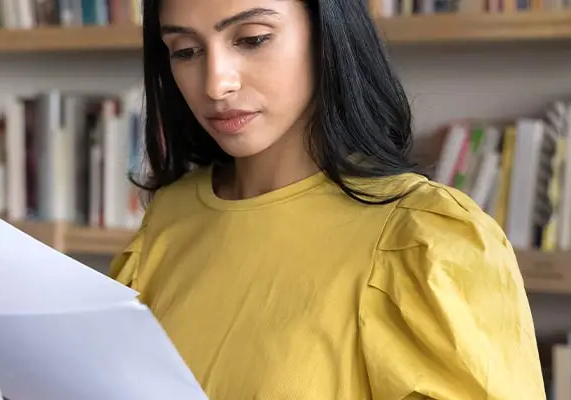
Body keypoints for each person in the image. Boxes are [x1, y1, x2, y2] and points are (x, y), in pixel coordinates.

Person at [110, 0, 545, 398]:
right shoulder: (168, 219)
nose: (216, 83)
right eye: (185, 50)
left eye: (252, 39)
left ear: (327, 33)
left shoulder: (424, 239)